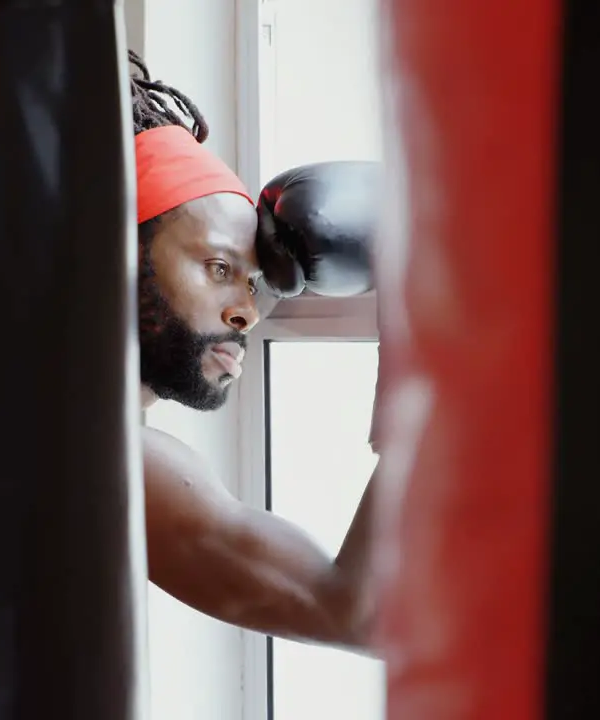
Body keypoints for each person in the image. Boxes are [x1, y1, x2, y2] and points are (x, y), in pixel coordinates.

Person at [129, 51, 380, 652]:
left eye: (253, 284)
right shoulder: (92, 446)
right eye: (218, 267)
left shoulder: (93, 439)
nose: (246, 312)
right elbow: (358, 611)